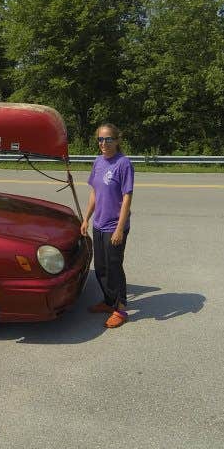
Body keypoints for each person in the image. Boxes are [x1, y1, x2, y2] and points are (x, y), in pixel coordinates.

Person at [80, 123, 134, 328]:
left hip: (114, 225)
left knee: (114, 267)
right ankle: (108, 301)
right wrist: (86, 218)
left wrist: (120, 228)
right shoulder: (98, 161)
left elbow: (127, 196)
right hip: (99, 223)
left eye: (108, 139)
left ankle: (120, 309)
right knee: (101, 267)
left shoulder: (124, 163)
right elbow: (94, 191)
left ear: (117, 140)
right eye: (100, 140)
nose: (103, 143)